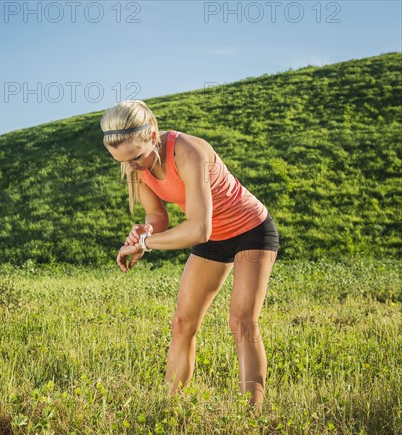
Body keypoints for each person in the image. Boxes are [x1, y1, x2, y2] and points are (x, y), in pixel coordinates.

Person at [100, 99, 279, 415]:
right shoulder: (137, 167)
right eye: (121, 160)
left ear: (152, 134)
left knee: (242, 322)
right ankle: (170, 410)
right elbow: (157, 215)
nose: (130, 166)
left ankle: (252, 418)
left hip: (250, 231)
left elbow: (198, 228)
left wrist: (147, 242)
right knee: (182, 324)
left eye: (135, 157)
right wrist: (145, 230)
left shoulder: (189, 152)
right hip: (214, 237)